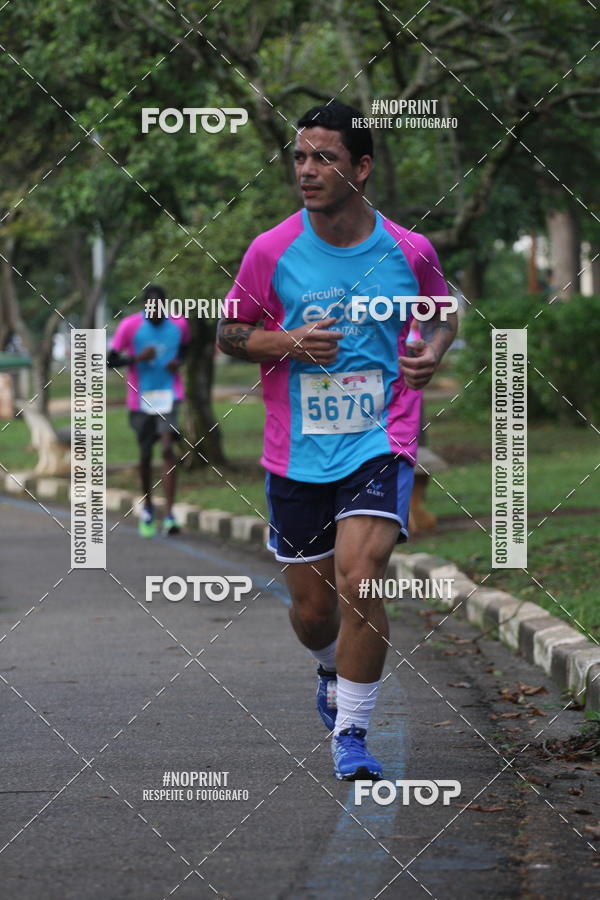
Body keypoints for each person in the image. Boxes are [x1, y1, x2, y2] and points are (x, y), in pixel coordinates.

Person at [218, 101, 457, 780]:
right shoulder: (272, 251)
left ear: (361, 167)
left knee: (361, 579)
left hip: (380, 439)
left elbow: (442, 314)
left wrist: (432, 350)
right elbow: (229, 334)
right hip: (295, 452)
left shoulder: (410, 251)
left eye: (323, 157)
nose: (307, 170)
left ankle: (352, 736)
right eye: (300, 156)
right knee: (314, 613)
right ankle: (329, 667)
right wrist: (285, 342)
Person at [108, 284, 190, 537]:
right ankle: (147, 508)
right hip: (140, 399)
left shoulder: (180, 324)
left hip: (170, 395)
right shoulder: (130, 327)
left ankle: (170, 514)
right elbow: (110, 361)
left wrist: (179, 362)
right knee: (145, 455)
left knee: (167, 448)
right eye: (149, 309)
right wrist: (136, 359)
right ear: (144, 307)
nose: (154, 313)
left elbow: (186, 346)